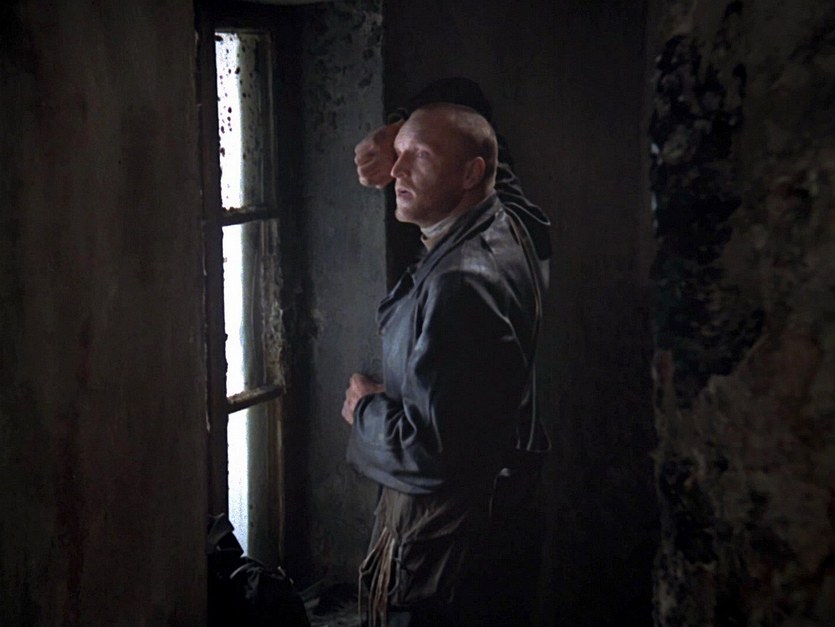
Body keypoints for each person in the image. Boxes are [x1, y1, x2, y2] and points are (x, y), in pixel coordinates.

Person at [342, 79, 550, 626]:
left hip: (445, 556)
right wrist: (409, 129)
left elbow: (433, 452)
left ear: (471, 175)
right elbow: (486, 147)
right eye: (398, 153)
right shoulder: (510, 222)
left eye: (420, 156)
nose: (396, 171)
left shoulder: (461, 283)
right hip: (479, 536)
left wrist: (366, 411)